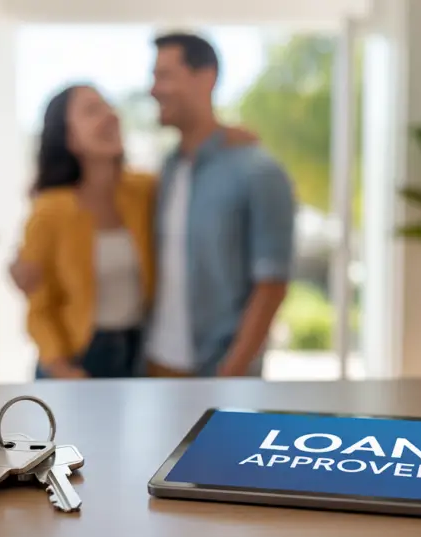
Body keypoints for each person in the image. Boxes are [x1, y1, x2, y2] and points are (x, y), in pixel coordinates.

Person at [16, 83, 259, 379]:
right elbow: (39, 307)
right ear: (71, 138)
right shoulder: (50, 210)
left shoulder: (144, 191)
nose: (110, 116)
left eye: (108, 106)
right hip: (76, 357)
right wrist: (61, 368)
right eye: (92, 111)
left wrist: (225, 139)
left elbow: (191, 172)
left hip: (137, 352)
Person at [142, 33, 295, 378]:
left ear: (206, 77)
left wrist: (232, 372)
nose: (153, 89)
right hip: (155, 364)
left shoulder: (259, 171)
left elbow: (272, 284)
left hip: (219, 371)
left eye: (164, 76)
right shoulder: (168, 169)